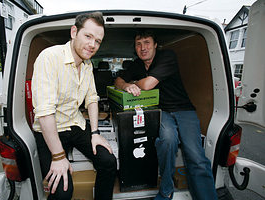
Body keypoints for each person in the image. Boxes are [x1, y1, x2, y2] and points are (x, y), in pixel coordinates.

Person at [114, 30, 218, 200]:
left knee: (195, 156)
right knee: (167, 141)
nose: (143, 48)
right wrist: (126, 85)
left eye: (147, 42)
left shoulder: (167, 56)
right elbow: (117, 80)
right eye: (138, 44)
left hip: (184, 109)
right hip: (162, 111)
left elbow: (148, 84)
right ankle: (166, 190)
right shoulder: (136, 65)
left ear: (155, 44)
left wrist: (134, 82)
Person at [32, 12, 117, 200]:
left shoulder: (87, 66)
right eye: (88, 36)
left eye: (98, 41)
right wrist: (58, 157)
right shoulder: (49, 57)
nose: (92, 45)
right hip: (50, 129)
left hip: (76, 125)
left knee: (109, 161)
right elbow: (45, 112)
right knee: (62, 191)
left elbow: (92, 99)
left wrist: (95, 134)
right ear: (73, 32)